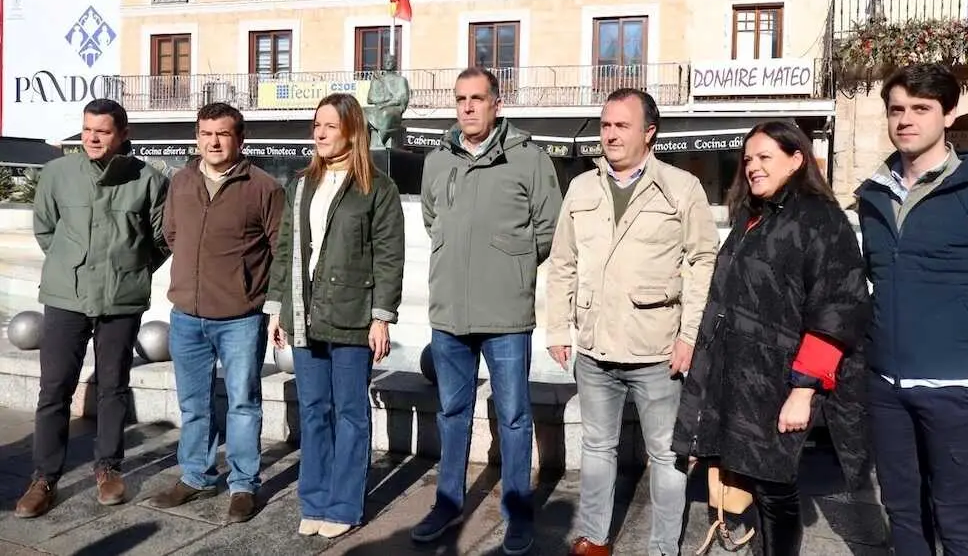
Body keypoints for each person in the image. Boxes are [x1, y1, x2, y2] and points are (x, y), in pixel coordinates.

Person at [672, 121, 871, 556]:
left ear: (796, 159)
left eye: (765, 158)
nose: (752, 167)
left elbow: (838, 306)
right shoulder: (752, 216)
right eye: (747, 160)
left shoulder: (820, 219)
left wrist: (803, 390)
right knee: (753, 481)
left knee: (775, 487)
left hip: (783, 379)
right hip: (741, 375)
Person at [545, 88, 718, 556]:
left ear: (650, 132)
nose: (611, 134)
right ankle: (595, 538)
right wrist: (558, 328)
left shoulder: (681, 188)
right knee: (597, 450)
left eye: (622, 125)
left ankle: (664, 548)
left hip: (657, 350)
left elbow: (703, 262)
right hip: (595, 348)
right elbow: (562, 261)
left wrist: (690, 337)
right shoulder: (582, 188)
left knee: (666, 455)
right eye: (605, 125)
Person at [412, 66, 563, 555]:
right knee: (453, 412)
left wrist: (510, 262)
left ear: (498, 103)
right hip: (449, 313)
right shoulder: (438, 160)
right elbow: (433, 218)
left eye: (478, 98)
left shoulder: (529, 159)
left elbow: (549, 227)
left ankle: (518, 510)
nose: (468, 107)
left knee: (514, 415)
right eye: (461, 99)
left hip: (505, 313)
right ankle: (447, 501)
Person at [856, 63, 968, 556]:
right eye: (897, 109)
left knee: (958, 523)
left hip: (958, 386)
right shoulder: (872, 195)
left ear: (949, 114)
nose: (906, 120)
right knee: (903, 516)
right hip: (888, 386)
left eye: (921, 108)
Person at [16, 99, 170, 518]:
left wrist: (131, 269)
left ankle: (108, 469)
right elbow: (45, 228)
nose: (92, 138)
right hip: (66, 296)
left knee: (113, 386)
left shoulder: (149, 179)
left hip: (121, 298)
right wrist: (70, 265)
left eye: (102, 130)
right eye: (87, 130)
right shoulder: (57, 174)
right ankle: (44, 477)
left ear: (122, 134)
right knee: (54, 389)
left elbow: (162, 239)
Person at [264, 93, 405, 539]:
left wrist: (381, 316)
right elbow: (286, 250)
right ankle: (315, 499)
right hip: (305, 313)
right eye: (316, 125)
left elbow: (389, 255)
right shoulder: (302, 183)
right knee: (313, 409)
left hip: (352, 316)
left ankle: (344, 505)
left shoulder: (377, 188)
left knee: (349, 413)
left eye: (329, 125)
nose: (320, 133)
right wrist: (277, 309)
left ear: (351, 129)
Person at [147, 103, 284, 523]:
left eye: (223, 134)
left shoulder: (262, 187)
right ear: (197, 137)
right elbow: (171, 234)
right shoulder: (182, 182)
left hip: (241, 316)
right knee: (194, 402)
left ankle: (243, 484)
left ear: (239, 139)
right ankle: (196, 475)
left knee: (243, 403)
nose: (214, 141)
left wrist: (271, 304)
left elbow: (280, 250)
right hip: (187, 314)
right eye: (206, 133)